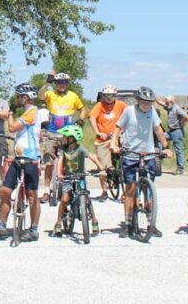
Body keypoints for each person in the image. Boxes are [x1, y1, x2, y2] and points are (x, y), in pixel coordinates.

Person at [111, 86, 173, 238]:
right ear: (138, 101)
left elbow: (158, 130)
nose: (147, 105)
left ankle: (151, 223)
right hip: (130, 154)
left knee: (148, 191)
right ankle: (127, 224)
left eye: (149, 102)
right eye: (144, 102)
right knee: (130, 190)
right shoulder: (129, 111)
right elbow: (118, 128)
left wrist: (165, 147)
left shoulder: (152, 112)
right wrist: (114, 144)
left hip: (148, 154)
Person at [0, 83, 42, 241]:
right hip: (18, 158)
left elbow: (12, 128)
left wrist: (9, 114)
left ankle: (34, 229)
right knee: (5, 191)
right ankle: (2, 227)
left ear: (26, 97)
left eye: (19, 96)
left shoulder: (32, 112)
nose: (17, 99)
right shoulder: (27, 112)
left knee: (32, 195)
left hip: (30, 158)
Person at [39, 72, 86, 203]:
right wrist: (47, 83)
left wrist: (81, 120)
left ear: (68, 84)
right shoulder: (51, 94)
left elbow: (82, 109)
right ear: (56, 83)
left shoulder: (73, 96)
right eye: (59, 82)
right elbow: (40, 95)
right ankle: (46, 191)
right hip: (52, 132)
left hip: (68, 133)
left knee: (70, 161)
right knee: (48, 161)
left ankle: (69, 187)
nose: (62, 85)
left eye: (64, 82)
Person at [51, 125, 103, 237]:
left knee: (86, 198)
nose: (63, 138)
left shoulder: (80, 149)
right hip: (68, 178)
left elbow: (92, 157)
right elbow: (60, 161)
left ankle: (94, 220)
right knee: (65, 199)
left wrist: (101, 169)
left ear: (71, 138)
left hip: (80, 177)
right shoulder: (63, 150)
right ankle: (58, 222)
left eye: (65, 136)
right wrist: (60, 174)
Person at [88, 85, 126, 200]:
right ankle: (104, 191)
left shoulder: (121, 105)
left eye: (111, 95)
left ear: (115, 95)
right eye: (106, 96)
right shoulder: (99, 105)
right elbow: (92, 118)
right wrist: (98, 132)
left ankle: (125, 191)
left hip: (118, 137)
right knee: (102, 166)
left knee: (127, 162)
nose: (109, 98)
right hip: (103, 139)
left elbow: (129, 116)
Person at [159, 96, 188, 175]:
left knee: (178, 150)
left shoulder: (177, 109)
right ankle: (161, 154)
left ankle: (180, 169)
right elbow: (161, 103)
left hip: (177, 131)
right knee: (160, 137)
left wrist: (181, 123)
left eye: (167, 102)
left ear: (172, 102)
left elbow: (187, 117)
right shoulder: (169, 108)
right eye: (166, 102)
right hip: (170, 131)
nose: (165, 104)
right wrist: (155, 98)